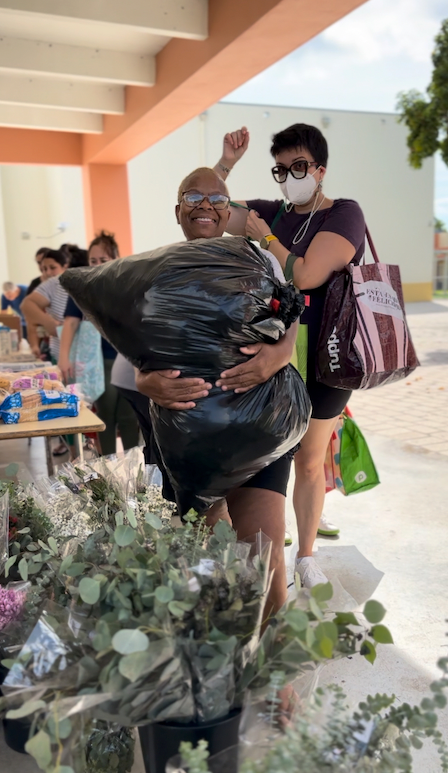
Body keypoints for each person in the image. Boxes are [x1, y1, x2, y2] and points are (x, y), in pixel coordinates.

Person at [136, 167, 300, 616]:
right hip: (191, 435)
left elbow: (292, 314)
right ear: (177, 211)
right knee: (211, 559)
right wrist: (144, 381)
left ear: (229, 211)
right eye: (193, 196)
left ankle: (270, 675)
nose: (205, 204)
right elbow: (141, 351)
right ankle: (226, 665)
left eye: (217, 198)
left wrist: (278, 356)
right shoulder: (157, 270)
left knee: (263, 559)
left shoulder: (257, 259)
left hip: (258, 422)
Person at [211, 124, 365, 588]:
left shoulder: (344, 214)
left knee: (311, 461)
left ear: (320, 169)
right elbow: (209, 208)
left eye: (299, 166)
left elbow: (309, 274)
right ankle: (268, 549)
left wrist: (266, 239)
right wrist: (226, 164)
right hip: (271, 357)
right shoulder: (269, 213)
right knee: (269, 456)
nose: (290, 176)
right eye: (281, 169)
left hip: (326, 358)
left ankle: (306, 554)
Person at [58, 231, 140, 457]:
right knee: (105, 414)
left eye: (103, 260)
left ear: (115, 258)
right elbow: (70, 324)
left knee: (128, 415)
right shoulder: (82, 287)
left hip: (128, 359)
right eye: (92, 261)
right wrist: (63, 357)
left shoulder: (126, 285)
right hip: (99, 361)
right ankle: (109, 467)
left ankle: (135, 471)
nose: (97, 265)